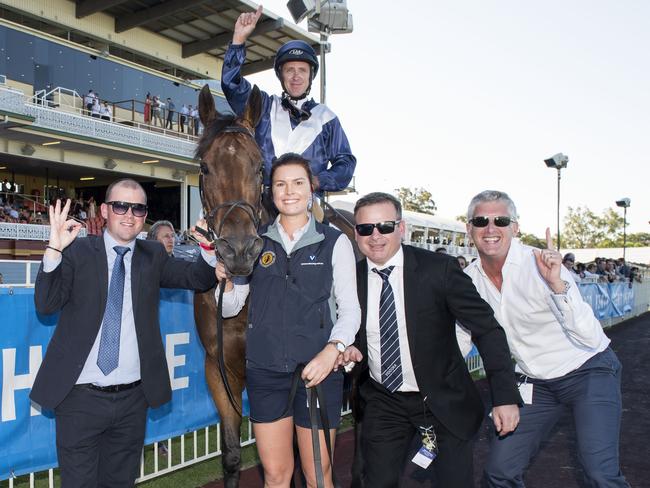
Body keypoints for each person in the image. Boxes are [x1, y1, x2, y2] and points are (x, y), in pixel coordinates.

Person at [30, 179, 217, 487]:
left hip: (132, 401)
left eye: (139, 208)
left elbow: (197, 278)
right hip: (79, 400)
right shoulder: (78, 251)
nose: (129, 214)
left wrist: (208, 249)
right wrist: (53, 249)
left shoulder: (153, 255)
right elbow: (46, 303)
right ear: (104, 210)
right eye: (120, 206)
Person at [341, 192, 520, 488]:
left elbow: (488, 330)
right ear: (356, 234)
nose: (375, 236)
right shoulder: (350, 279)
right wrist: (349, 349)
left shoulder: (440, 270)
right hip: (385, 401)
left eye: (384, 226)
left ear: (401, 228)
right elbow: (359, 333)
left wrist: (504, 397)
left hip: (444, 399)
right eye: (365, 229)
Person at [461, 190, 629, 488]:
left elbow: (590, 335)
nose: (490, 229)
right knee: (499, 471)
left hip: (588, 370)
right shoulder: (469, 280)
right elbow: (460, 340)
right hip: (533, 382)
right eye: (480, 221)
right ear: (468, 227)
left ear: (515, 227)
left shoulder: (541, 264)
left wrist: (557, 284)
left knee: (600, 473)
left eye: (500, 220)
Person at [216, 153, 360, 488]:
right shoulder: (256, 242)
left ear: (311, 189)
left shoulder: (335, 242)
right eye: (280, 184)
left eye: (298, 182)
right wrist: (223, 278)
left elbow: (350, 309)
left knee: (318, 476)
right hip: (265, 372)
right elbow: (230, 307)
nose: (289, 190)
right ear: (270, 191)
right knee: (276, 476)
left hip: (318, 373)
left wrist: (332, 350)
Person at [221, 6, 356, 208]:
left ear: (310, 76)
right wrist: (238, 40)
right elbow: (232, 85)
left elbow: (345, 162)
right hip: (263, 202)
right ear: (280, 75)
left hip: (308, 204)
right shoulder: (264, 105)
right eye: (289, 70)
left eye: (302, 70)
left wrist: (317, 181)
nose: (296, 76)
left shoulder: (326, 118)